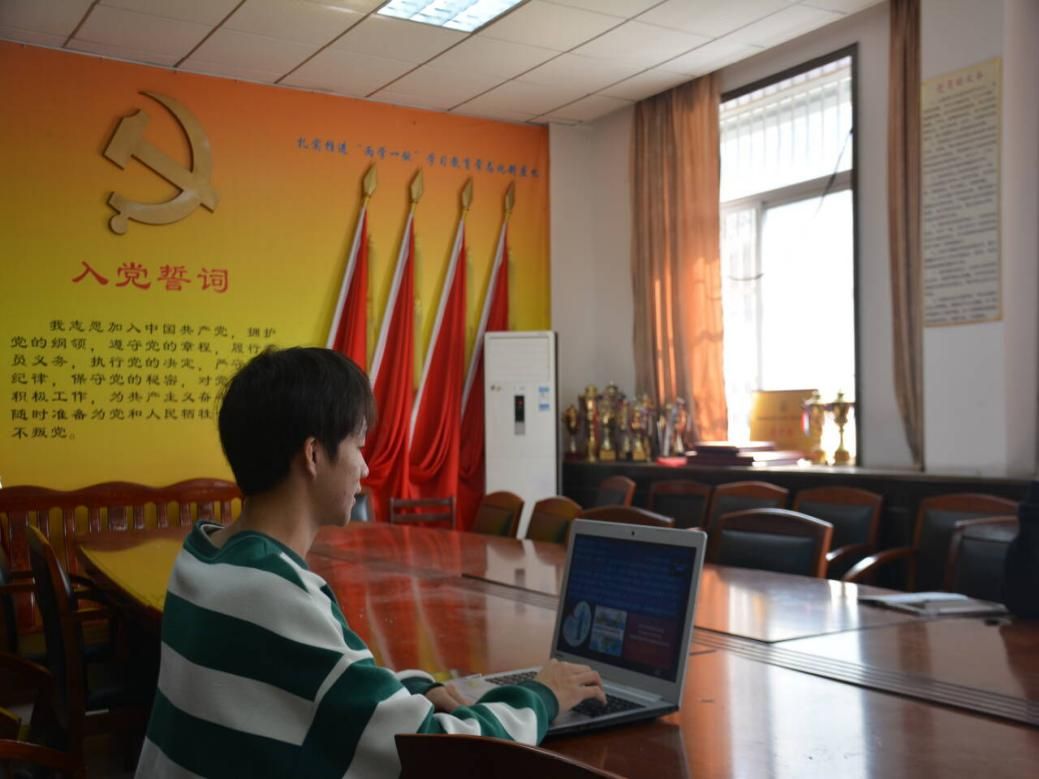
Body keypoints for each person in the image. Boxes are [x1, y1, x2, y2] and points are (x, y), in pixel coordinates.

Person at [136, 347, 605, 777]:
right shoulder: (272, 592)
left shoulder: (204, 558)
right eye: (358, 445)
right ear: (313, 454)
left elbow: (320, 679)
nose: (365, 467)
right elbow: (434, 752)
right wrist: (543, 695)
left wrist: (416, 687)